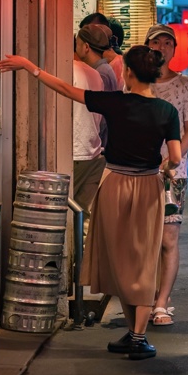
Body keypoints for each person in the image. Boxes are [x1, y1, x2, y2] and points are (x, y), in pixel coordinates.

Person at [0, 45, 181, 361]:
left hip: (114, 185)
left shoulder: (113, 102)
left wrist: (30, 65)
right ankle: (137, 336)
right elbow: (175, 157)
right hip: (149, 186)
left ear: (129, 73)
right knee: (144, 257)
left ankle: (136, 336)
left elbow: (66, 89)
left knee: (115, 256)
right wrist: (165, 167)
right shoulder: (167, 111)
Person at [144, 24, 188, 326]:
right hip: (139, 170)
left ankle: (162, 302)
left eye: (169, 43)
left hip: (173, 173)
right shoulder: (137, 82)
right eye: (157, 42)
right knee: (142, 239)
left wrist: (173, 156)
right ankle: (144, 296)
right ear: (147, 46)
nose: (163, 47)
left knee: (168, 238)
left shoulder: (186, 84)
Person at [72, 52, 105, 237]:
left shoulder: (64, 71)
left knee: (62, 210)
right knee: (85, 214)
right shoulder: (94, 73)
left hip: (74, 150)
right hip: (93, 149)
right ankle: (85, 263)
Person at [75, 24, 119, 93]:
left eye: (77, 44)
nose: (76, 49)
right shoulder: (103, 68)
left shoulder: (100, 72)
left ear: (86, 47)